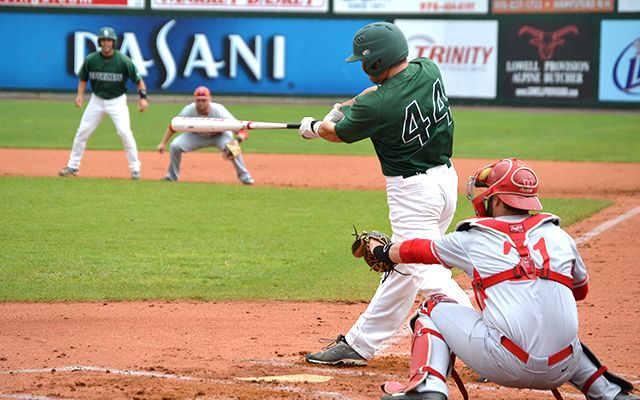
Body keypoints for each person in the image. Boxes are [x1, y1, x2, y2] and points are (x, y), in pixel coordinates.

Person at [364, 158, 638, 400]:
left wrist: (382, 251)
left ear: (496, 199)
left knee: (431, 308)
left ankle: (429, 388)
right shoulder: (560, 237)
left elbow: (418, 250)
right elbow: (580, 291)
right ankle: (609, 393)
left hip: (505, 363)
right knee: (558, 335)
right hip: (562, 368)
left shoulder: (472, 238)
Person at [299, 21, 472, 366]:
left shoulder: (377, 107)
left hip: (413, 192)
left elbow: (338, 134)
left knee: (426, 270)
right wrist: (346, 106)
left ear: (374, 62)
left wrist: (315, 128)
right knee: (404, 264)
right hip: (445, 181)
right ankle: (359, 344)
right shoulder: (428, 69)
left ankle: (484, 342)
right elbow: (374, 98)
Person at [59, 26, 147, 180]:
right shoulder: (92, 59)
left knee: (125, 132)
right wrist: (80, 95)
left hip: (117, 101)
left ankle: (135, 169)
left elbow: (139, 80)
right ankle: (73, 166)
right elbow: (83, 78)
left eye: (109, 40)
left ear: (113, 43)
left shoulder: (123, 61)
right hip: (97, 100)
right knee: (82, 132)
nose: (106, 43)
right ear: (100, 42)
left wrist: (143, 98)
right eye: (104, 40)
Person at [156, 86, 254, 185]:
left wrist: (236, 141)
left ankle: (245, 177)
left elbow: (242, 130)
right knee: (175, 145)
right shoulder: (189, 110)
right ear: (195, 100)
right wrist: (163, 143)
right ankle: (172, 176)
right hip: (197, 136)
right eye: (198, 100)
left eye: (204, 100)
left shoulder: (219, 110)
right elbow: (173, 126)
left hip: (220, 136)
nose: (201, 103)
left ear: (209, 99)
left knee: (234, 148)